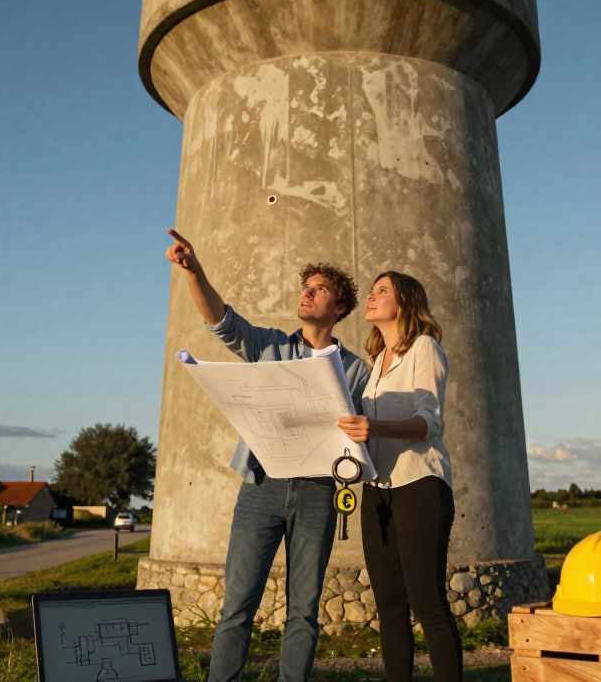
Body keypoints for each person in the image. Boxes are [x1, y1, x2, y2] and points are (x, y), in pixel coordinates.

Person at [164, 228, 370, 682]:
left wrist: (359, 435)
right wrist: (194, 271)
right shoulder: (269, 345)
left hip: (319, 493)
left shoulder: (357, 370)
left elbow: (363, 440)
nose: (307, 294)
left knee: (304, 610)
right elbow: (221, 322)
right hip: (260, 488)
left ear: (338, 308)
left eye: (319, 290)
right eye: (306, 287)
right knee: (237, 605)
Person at [336, 270, 460, 682]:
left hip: (420, 486)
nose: (370, 297)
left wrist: (376, 429)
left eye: (381, 291)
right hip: (377, 492)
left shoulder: (424, 348)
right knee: (388, 608)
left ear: (404, 302)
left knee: (428, 602)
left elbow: (429, 422)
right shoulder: (375, 365)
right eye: (370, 292)